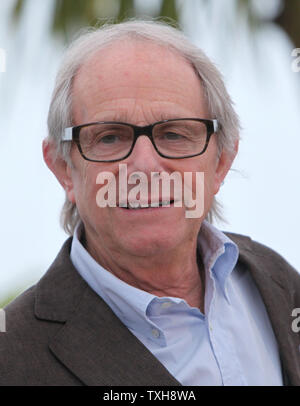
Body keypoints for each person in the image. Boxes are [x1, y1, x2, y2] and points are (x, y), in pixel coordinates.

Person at [0, 19, 299, 386]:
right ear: (64, 168)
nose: (143, 167)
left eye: (174, 133)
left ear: (221, 162)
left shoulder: (278, 285)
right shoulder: (12, 357)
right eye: (109, 137)